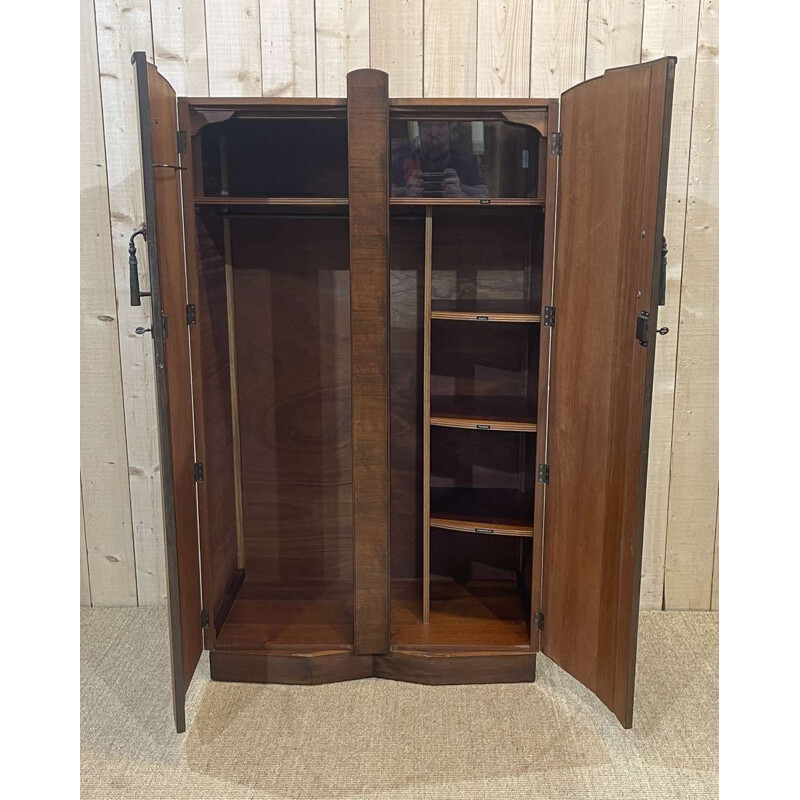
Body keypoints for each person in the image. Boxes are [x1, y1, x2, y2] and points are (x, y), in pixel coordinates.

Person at [392, 121, 489, 198]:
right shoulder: (404, 159)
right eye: (427, 125)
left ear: (449, 128)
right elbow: (388, 193)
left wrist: (461, 195)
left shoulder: (466, 160)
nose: (433, 133)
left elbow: (484, 195)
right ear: (419, 127)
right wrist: (407, 195)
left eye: (440, 125)